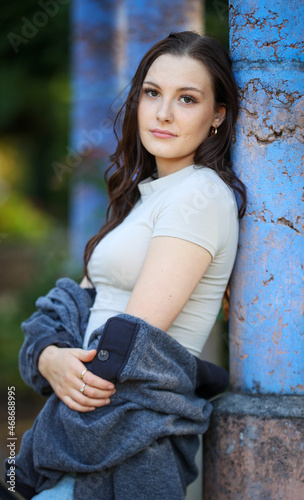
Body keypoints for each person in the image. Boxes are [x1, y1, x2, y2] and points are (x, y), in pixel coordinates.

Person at [9, 31, 246, 499]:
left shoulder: (200, 197)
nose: (162, 113)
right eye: (152, 93)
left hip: (121, 442)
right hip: (88, 432)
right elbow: (65, 308)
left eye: (187, 99)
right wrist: (49, 356)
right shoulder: (143, 198)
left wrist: (59, 367)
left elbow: (127, 349)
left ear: (217, 115)